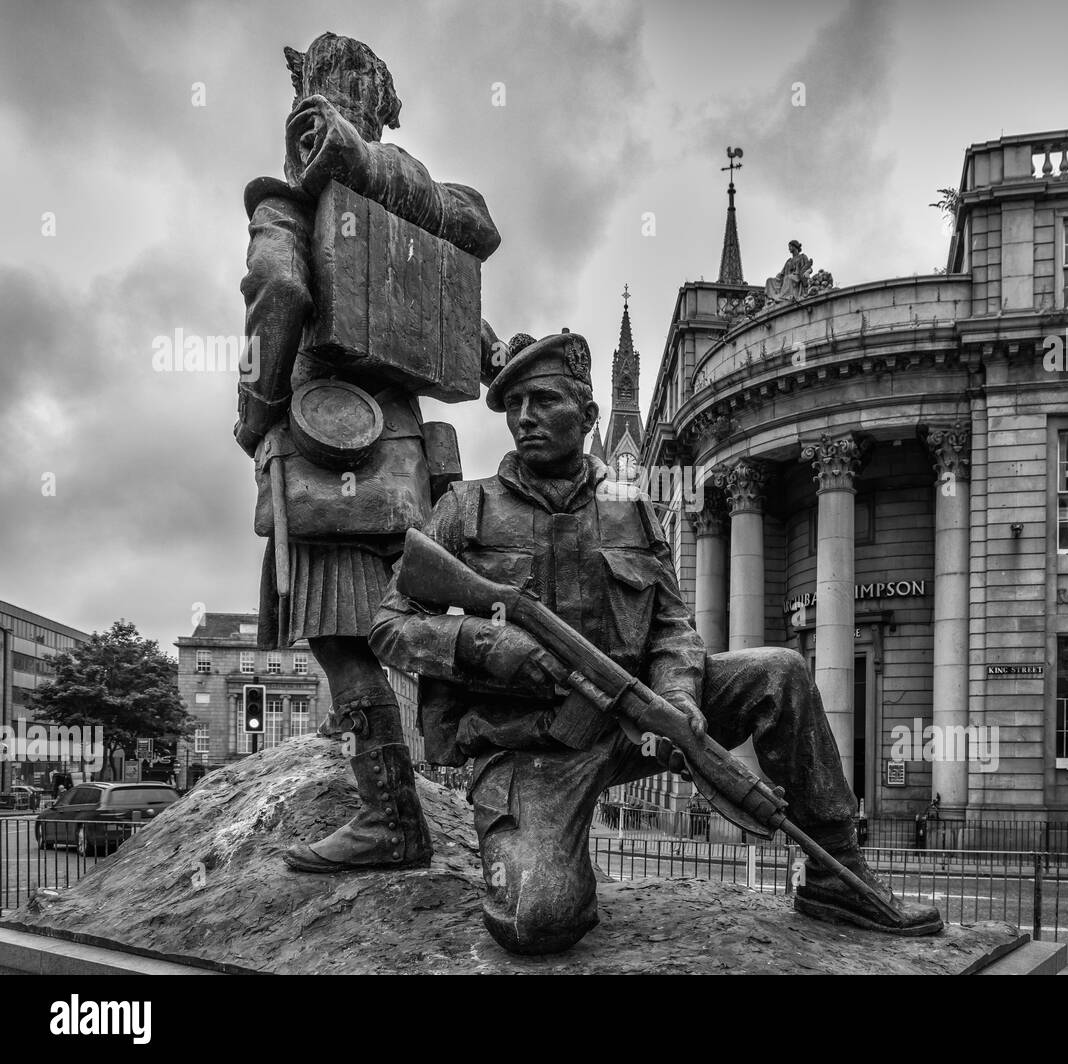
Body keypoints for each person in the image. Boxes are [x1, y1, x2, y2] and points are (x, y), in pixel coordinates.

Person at [369, 331, 942, 954]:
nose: (524, 418)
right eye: (514, 407)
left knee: (780, 670)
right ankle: (553, 853)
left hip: (629, 717)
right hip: (529, 752)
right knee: (541, 922)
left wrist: (681, 703)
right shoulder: (465, 507)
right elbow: (390, 626)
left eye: (543, 400)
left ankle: (836, 873)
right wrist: (480, 642)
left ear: (589, 415)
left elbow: (674, 626)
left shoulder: (629, 509)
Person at [233, 32, 501, 874]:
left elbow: (278, 291)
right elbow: (477, 341)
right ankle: (482, 787)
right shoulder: (416, 213)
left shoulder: (292, 202)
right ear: (379, 108)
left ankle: (391, 820)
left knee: (346, 648)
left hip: (323, 455)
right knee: (412, 630)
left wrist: (258, 408)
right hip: (410, 467)